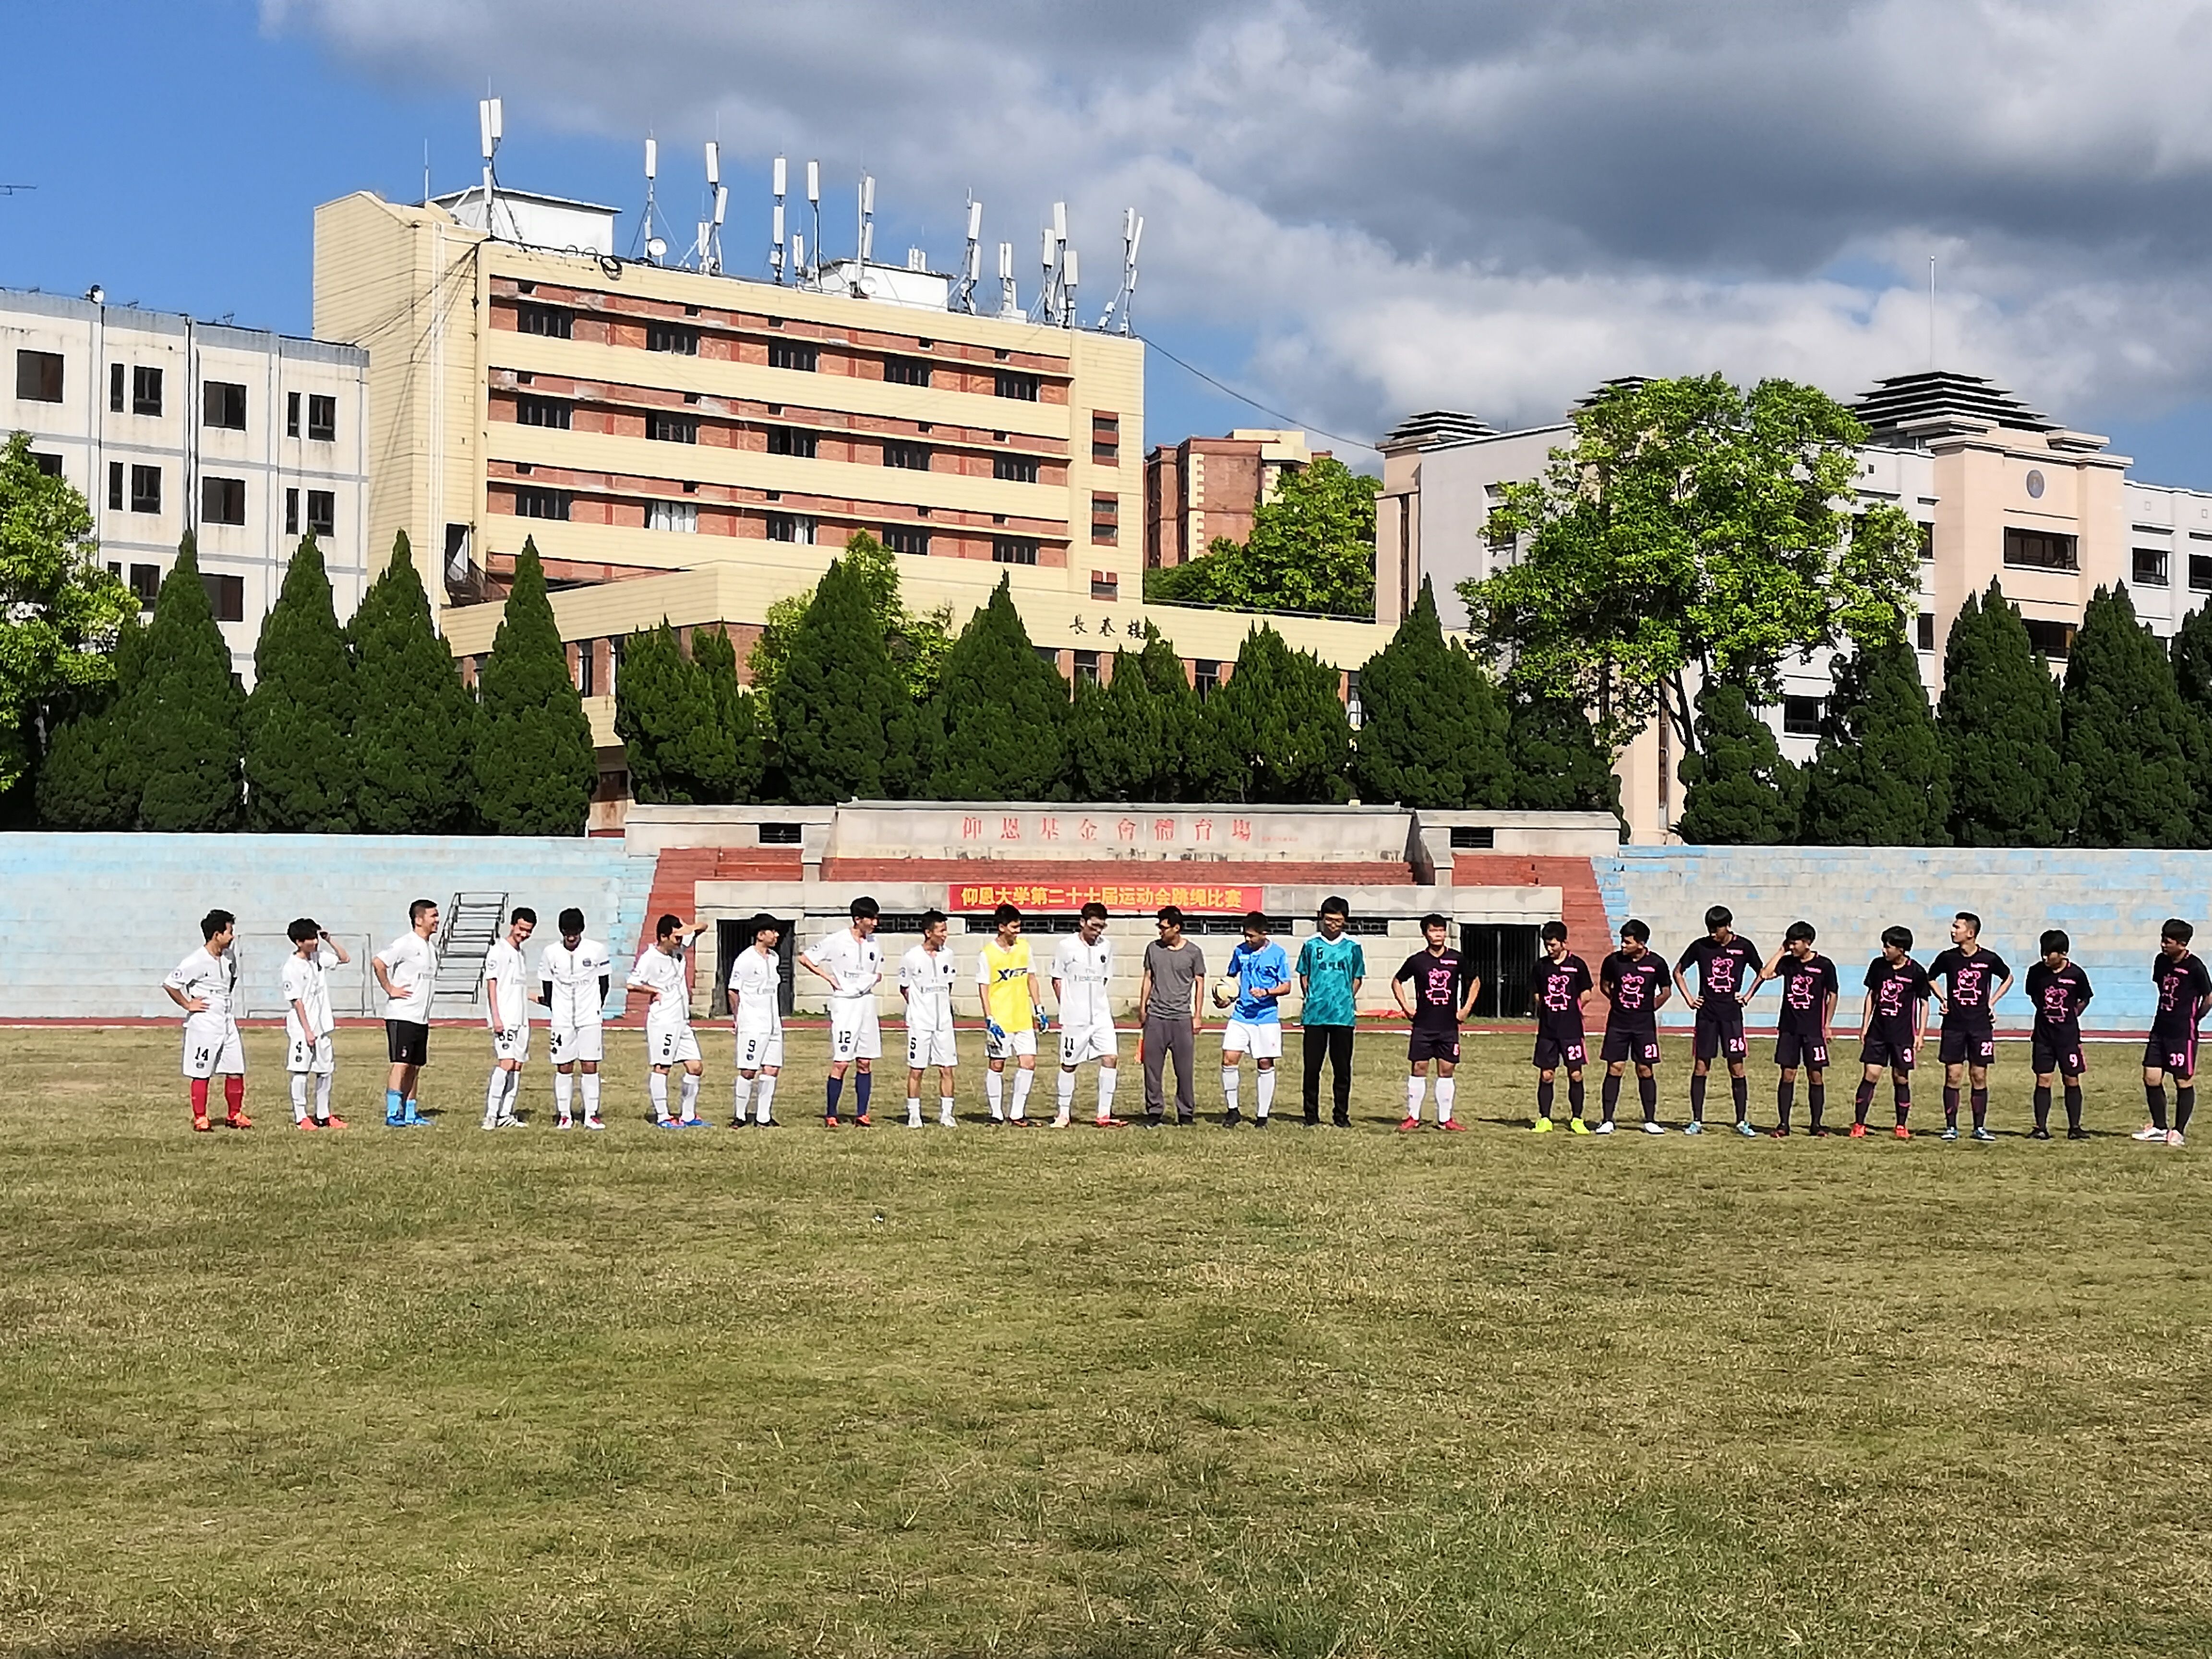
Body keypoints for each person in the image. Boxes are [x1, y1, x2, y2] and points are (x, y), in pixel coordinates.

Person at [1672, 905, 1765, 1136]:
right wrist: (1690, 999)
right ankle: (1696, 1121)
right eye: (1710, 929)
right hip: (1707, 1016)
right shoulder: (1700, 946)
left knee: (1737, 1067)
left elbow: (1762, 972)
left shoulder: (1743, 947)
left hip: (1732, 1016)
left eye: (1717, 929)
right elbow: (1678, 971)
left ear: (1728, 926)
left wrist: (1748, 995)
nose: (1713, 934)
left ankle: (1742, 1121)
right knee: (1701, 1066)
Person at [800, 897, 885, 1127]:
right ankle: (831, 1114)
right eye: (871, 919)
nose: (875, 923)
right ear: (858, 919)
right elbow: (805, 958)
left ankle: (862, 1114)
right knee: (842, 1062)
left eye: (876, 918)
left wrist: (876, 978)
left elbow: (877, 970)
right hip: (846, 1005)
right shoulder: (838, 940)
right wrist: (828, 978)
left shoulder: (874, 943)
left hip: (866, 1003)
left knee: (865, 1061)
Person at [1929, 911, 2012, 1142]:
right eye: (1953, 926)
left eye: (1957, 927)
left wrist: (1992, 1002)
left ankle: (1979, 1127)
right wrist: (1943, 999)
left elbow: (2008, 977)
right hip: (1954, 1025)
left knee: (1979, 1075)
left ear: (1971, 933)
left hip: (1980, 1026)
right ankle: (1951, 1127)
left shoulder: (1989, 959)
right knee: (1953, 1075)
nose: (1952, 931)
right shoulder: (1948, 958)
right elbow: (1931, 977)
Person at [1392, 913, 1479, 1131]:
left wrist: (1466, 1009)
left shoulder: (1457, 959)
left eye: (1441, 930)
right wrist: (1406, 1008)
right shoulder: (1417, 961)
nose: (1438, 935)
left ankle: (1445, 1119)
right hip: (1423, 1025)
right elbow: (1397, 981)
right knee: (1419, 1067)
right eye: (1433, 930)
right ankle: (1413, 1117)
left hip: (1448, 1025)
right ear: (1425, 934)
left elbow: (1475, 981)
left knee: (1447, 1069)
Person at [163, 908, 248, 1133]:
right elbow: (170, 984)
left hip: (227, 1020)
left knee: (236, 1069)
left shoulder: (229, 957)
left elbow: (231, 979)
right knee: (201, 1071)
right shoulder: (196, 961)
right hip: (205, 1023)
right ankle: (201, 1118)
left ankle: (235, 1115)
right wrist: (188, 1004)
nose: (232, 937)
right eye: (229, 932)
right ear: (217, 934)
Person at [627, 913, 709, 1127]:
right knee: (662, 1067)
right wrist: (653, 991)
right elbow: (632, 983)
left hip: (682, 1020)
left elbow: (704, 926)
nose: (680, 941)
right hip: (663, 1020)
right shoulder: (650, 958)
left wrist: (688, 928)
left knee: (695, 1067)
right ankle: (663, 1116)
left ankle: (688, 1115)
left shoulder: (678, 948)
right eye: (676, 938)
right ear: (663, 937)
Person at [2138, 917, 2212, 1148]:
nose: (2163, 945)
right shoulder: (2161, 962)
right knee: (2151, 1077)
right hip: (2160, 1029)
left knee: (2183, 1080)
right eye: (2162, 939)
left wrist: (2195, 1018)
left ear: (2182, 944)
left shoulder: (2195, 967)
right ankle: (2160, 1127)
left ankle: (2178, 1131)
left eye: (2168, 941)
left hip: (2182, 1033)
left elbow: (2209, 996)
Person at [1051, 901, 1125, 1129]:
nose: (1098, 931)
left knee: (1111, 1058)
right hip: (1075, 1017)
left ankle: (1104, 1113)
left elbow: (1105, 978)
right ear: (1082, 922)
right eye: (1094, 926)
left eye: (1102, 927)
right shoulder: (1066, 946)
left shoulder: (1106, 947)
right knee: (1069, 1064)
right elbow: (1057, 979)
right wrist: (1068, 1007)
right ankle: (1063, 1114)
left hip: (1101, 1015)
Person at [1854, 926, 1932, 1139]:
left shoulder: (1916, 971)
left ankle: (1901, 1126)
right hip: (1878, 1033)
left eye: (1888, 947)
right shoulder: (1878, 966)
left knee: (1901, 1078)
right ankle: (1859, 1124)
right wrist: (1865, 1026)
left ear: (1901, 949)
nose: (1884, 950)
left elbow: (1924, 1004)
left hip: (1903, 1036)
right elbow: (1872, 996)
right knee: (1871, 1075)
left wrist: (1921, 1034)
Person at [1295, 897, 1365, 1128]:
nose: (1333, 924)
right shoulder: (1311, 945)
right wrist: (1312, 997)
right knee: (1312, 1068)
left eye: (1338, 920)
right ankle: (1311, 1115)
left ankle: (1341, 1115)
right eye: (1329, 920)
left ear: (1345, 921)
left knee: (1342, 1069)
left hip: (1342, 1016)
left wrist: (1346, 998)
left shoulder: (1353, 947)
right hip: (1315, 1016)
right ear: (1322, 919)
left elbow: (1357, 977)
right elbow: (1304, 974)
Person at [1217, 911, 1291, 1128]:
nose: (1247, 940)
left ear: (1264, 933)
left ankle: (1262, 1115)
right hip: (1241, 1016)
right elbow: (1230, 978)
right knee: (1229, 1059)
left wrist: (1267, 992)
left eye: (1251, 936)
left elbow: (1286, 986)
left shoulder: (1278, 954)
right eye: (1245, 935)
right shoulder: (1240, 951)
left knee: (1265, 1063)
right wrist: (1225, 997)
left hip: (1266, 1018)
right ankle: (1233, 1111)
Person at [1765, 922, 1839, 1137]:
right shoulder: (1788, 962)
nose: (1792, 947)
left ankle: (1816, 1125)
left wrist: (1827, 1024)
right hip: (1789, 1029)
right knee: (1788, 1074)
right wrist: (1781, 951)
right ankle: (1783, 1125)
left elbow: (1833, 994)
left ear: (1807, 943)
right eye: (1789, 942)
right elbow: (1766, 974)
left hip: (1813, 1031)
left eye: (1794, 943)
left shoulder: (1824, 965)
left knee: (1815, 1075)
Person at [540, 907, 611, 1130]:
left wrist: (595, 1008)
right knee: (564, 1066)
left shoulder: (597, 950)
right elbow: (547, 985)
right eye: (567, 932)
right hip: (562, 1019)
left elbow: (604, 984)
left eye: (575, 932)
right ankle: (565, 1115)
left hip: (589, 1017)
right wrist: (556, 1009)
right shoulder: (551, 952)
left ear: (582, 930)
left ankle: (591, 1115)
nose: (571, 937)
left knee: (590, 1064)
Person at [1598, 920, 1671, 1134]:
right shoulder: (1613, 961)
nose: (1623, 945)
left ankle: (1650, 1120)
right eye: (1622, 940)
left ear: (1641, 943)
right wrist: (1618, 1002)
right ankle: (1607, 1120)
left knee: (1645, 1069)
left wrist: (1649, 1008)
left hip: (1644, 1027)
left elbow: (1666, 991)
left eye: (1628, 942)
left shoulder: (1657, 963)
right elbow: (1605, 986)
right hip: (1618, 1024)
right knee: (1615, 1068)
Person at [372, 898, 440, 1128]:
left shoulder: (431, 948)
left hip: (421, 1017)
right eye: (433, 916)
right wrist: (390, 988)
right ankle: (393, 1113)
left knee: (415, 1066)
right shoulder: (406, 943)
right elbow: (379, 962)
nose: (437, 920)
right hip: (403, 1015)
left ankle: (410, 1112)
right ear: (419, 920)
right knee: (401, 1063)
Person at [1138, 905, 1206, 1126]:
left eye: (1164, 927)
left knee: (1184, 1071)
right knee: (1152, 1069)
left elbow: (1200, 983)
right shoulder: (1153, 949)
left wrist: (1197, 1015)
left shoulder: (1193, 952)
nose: (1160, 931)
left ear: (1177, 928)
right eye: (1159, 927)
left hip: (1181, 1018)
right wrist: (1143, 1008)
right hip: (1156, 1017)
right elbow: (1148, 978)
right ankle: (1154, 1111)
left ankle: (1186, 1113)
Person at [976, 902, 1043, 1124]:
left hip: (1023, 1018)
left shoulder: (1024, 948)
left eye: (1019, 926)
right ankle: (996, 1113)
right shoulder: (987, 954)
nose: (1018, 931)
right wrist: (989, 1018)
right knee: (997, 1064)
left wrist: (1038, 1008)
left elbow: (1031, 978)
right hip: (1001, 1020)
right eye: (1014, 927)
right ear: (1002, 927)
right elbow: (984, 987)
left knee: (1028, 1063)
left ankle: (1017, 1113)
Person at [281, 918, 349, 1131]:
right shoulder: (292, 967)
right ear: (299, 942)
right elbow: (297, 1001)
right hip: (303, 1029)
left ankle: (323, 1115)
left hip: (323, 1027)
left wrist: (330, 939)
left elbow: (345, 958)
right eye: (310, 938)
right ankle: (301, 1117)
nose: (315, 942)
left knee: (325, 1071)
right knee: (301, 1072)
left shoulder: (318, 957)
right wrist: (307, 1031)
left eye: (316, 937)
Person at [2025, 929, 2092, 1142]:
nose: (2045, 957)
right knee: (2044, 1079)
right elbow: (2033, 996)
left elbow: (2085, 998)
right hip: (2043, 1037)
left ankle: (2075, 1127)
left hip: (2068, 1037)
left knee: (2071, 1079)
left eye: (2050, 953)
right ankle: (2041, 1127)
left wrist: (2072, 1014)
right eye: (2043, 952)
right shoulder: (2036, 972)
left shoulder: (2076, 974)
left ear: (2063, 953)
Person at [1530, 921, 1595, 1133]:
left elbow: (1587, 992)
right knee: (1547, 1074)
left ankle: (1577, 1119)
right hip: (1548, 1031)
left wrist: (1574, 1009)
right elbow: (1537, 995)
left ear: (1564, 943)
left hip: (1572, 1031)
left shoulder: (1577, 965)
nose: (1549, 949)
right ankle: (1545, 1119)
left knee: (1575, 1073)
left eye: (1553, 945)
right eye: (1547, 945)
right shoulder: (1541, 966)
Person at [899, 909, 960, 1128]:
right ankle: (914, 1114)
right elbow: (904, 988)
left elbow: (948, 984)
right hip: (920, 1024)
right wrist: (919, 1009)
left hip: (943, 1023)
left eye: (946, 930)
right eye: (941, 931)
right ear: (928, 932)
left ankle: (947, 1114)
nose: (945, 935)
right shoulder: (912, 957)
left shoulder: (948, 955)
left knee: (947, 1068)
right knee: (917, 1069)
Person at [728, 912, 787, 1128]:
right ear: (761, 935)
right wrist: (738, 1018)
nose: (776, 935)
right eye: (773, 931)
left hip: (773, 1023)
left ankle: (763, 1117)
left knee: (771, 1069)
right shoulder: (745, 959)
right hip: (753, 1022)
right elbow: (733, 991)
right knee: (748, 1070)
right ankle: (740, 1116)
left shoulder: (774, 957)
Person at [479, 907, 536, 1130]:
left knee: (518, 1065)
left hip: (522, 1019)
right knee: (506, 1063)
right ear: (513, 925)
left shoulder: (521, 954)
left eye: (528, 931)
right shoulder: (498, 951)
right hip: (506, 1018)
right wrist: (496, 1017)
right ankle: (491, 1114)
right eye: (521, 929)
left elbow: (518, 988)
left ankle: (506, 1113)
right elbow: (492, 984)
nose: (524, 934)